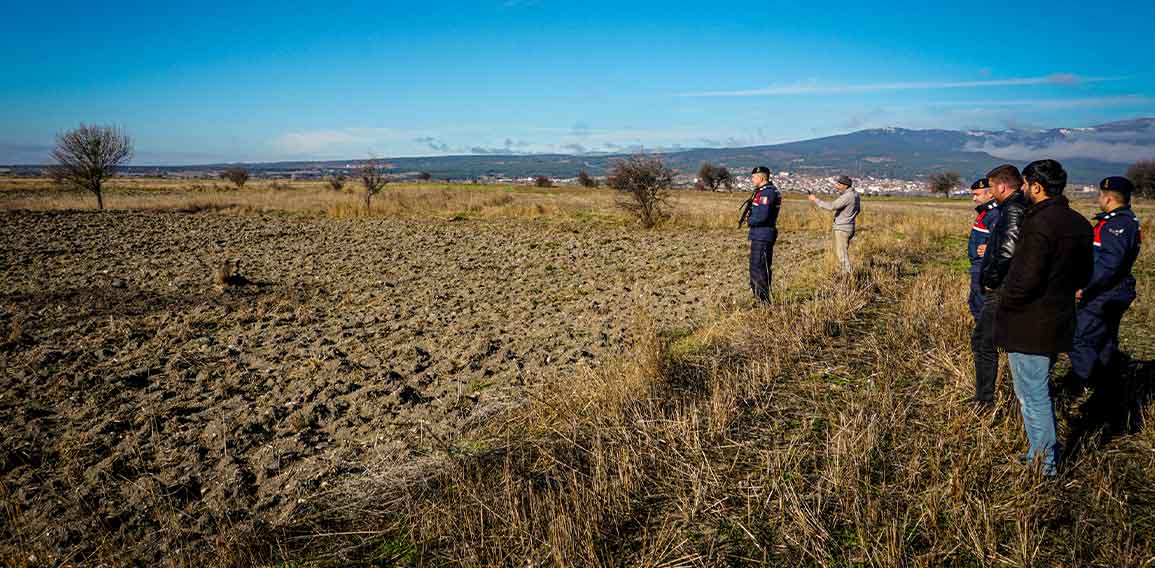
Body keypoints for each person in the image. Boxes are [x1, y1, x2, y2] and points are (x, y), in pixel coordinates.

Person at [996, 159, 1093, 476]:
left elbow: (1025, 279)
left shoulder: (1038, 224)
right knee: (1040, 387)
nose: (1022, 189)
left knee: (1032, 396)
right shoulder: (1079, 222)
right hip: (1060, 319)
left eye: (1024, 184)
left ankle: (1044, 464)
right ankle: (1042, 456)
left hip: (1029, 324)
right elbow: (1085, 274)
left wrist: (1005, 302)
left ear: (1036, 187)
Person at [1070, 176, 1143, 384]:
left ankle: (1098, 385)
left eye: (1101, 195)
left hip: (1105, 293)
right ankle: (1111, 386)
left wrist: (1085, 286)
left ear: (1108, 199)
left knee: (1078, 339)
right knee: (1104, 341)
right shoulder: (1123, 221)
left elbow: (1110, 264)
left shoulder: (1117, 224)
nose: (1099, 198)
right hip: (1110, 291)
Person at [971, 164, 1028, 407]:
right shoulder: (1012, 209)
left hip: (1002, 287)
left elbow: (1007, 251)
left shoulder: (1012, 211)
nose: (991, 192)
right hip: (1004, 284)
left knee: (984, 341)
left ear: (1002, 186)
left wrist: (990, 280)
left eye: (992, 186)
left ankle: (985, 400)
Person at [740, 166, 782, 303]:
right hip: (761, 234)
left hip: (762, 234)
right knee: (759, 267)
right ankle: (761, 300)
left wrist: (749, 220)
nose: (752, 179)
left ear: (761, 177)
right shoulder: (764, 191)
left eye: (753, 177)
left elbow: (762, 216)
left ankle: (763, 302)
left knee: (758, 268)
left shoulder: (767, 193)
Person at [808, 175, 860, 274]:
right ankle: (845, 277)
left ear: (845, 186)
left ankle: (848, 279)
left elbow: (831, 206)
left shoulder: (847, 196)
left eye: (839, 184)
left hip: (842, 229)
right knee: (842, 254)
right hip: (849, 227)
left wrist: (815, 200)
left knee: (842, 256)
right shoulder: (856, 195)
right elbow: (858, 210)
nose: (837, 186)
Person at [967, 178, 1000, 319]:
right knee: (976, 304)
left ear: (990, 194)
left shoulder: (995, 214)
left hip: (984, 267)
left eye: (977, 194)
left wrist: (991, 248)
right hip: (978, 266)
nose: (974, 199)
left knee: (982, 309)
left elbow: (1004, 240)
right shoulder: (985, 213)